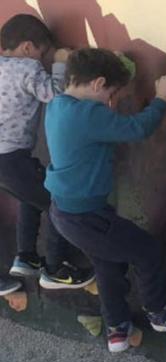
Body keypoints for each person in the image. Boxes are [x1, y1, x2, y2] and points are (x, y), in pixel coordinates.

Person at [43, 48, 166, 353]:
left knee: (107, 263)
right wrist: (162, 98)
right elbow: (139, 128)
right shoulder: (89, 113)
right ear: (98, 84)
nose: (111, 103)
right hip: (88, 216)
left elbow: (69, 73)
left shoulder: (57, 104)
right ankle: (160, 312)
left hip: (62, 212)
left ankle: (117, 329)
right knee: (147, 250)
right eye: (111, 94)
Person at [0, 14, 94, 288]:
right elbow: (55, 94)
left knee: (31, 197)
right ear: (28, 48)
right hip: (11, 158)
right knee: (58, 201)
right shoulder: (27, 69)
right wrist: (60, 63)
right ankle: (55, 268)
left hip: (7, 162)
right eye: (42, 54)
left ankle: (26, 256)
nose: (41, 59)